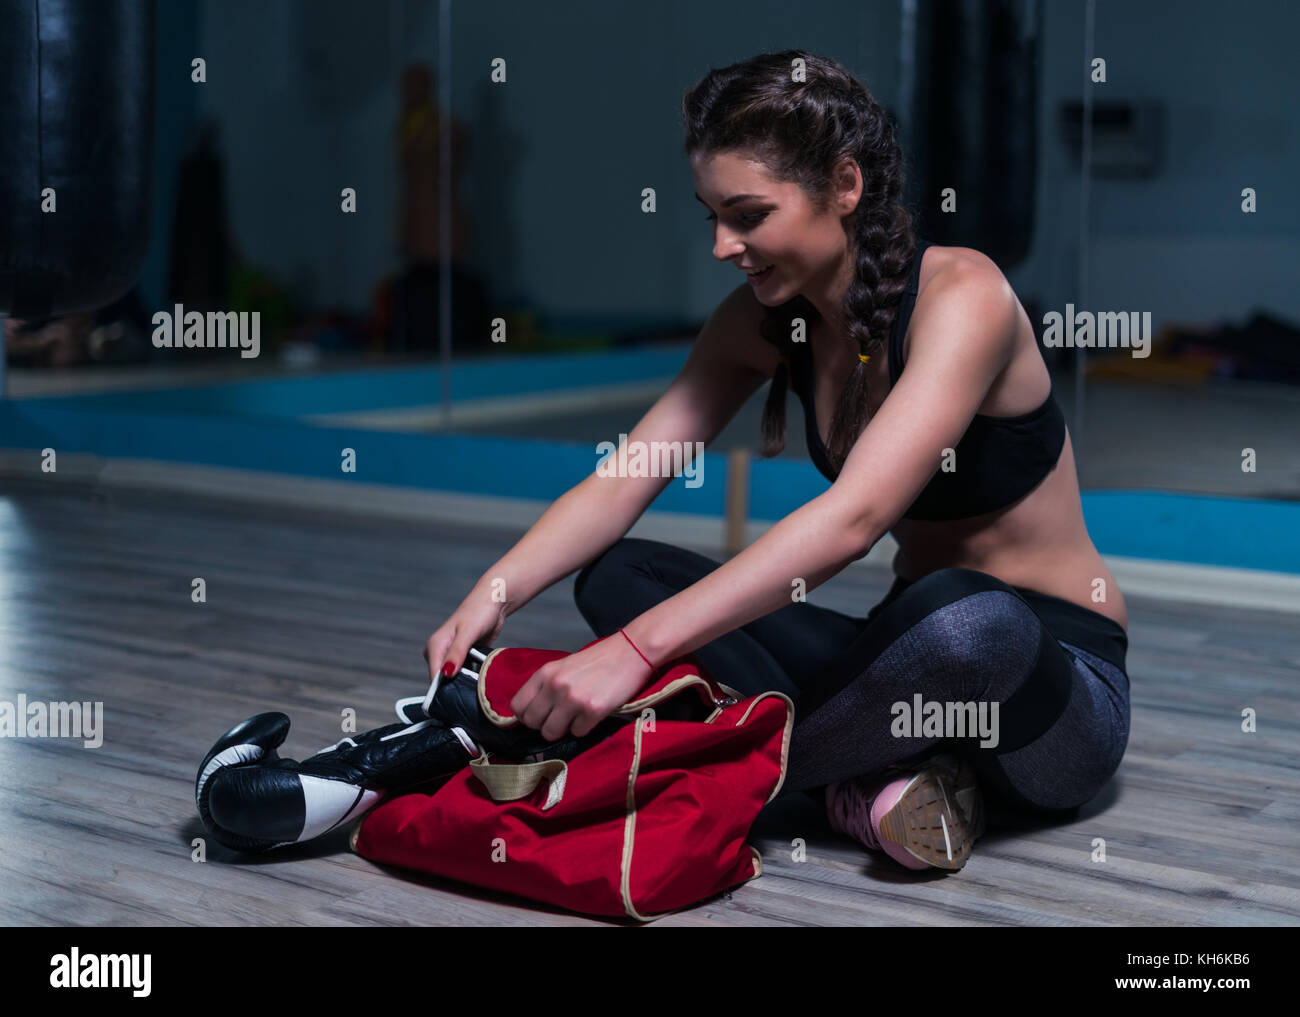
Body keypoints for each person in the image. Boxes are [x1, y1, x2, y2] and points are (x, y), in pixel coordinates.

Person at [423, 50, 1130, 873]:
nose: (724, 244)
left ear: (845, 185)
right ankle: (870, 775)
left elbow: (855, 520)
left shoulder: (963, 296)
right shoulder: (760, 323)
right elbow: (626, 475)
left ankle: (701, 771)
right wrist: (494, 591)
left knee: (973, 615)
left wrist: (637, 654)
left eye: (749, 214)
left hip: (1043, 694)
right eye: (711, 215)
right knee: (623, 577)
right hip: (898, 666)